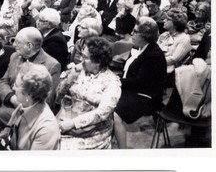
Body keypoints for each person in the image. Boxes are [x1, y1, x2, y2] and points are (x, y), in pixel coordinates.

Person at [56, 37, 120, 149]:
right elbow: (58, 96)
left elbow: (102, 113)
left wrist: (72, 123)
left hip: (92, 132)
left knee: (61, 150)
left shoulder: (111, 82)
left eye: (85, 57)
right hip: (65, 119)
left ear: (98, 62)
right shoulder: (79, 71)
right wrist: (71, 76)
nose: (81, 59)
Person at [113, 17, 168, 149]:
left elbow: (140, 82)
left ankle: (122, 150)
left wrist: (116, 81)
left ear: (145, 35)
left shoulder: (153, 55)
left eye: (136, 32)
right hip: (134, 89)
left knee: (114, 115)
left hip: (146, 96)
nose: (132, 34)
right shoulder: (141, 47)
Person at [0, 27, 61, 112]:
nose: (14, 45)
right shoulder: (15, 56)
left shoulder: (52, 65)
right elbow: (2, 82)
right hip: (8, 107)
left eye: (18, 42)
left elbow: (46, 101)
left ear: (29, 46)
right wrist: (11, 98)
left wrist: (21, 103)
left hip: (31, 115)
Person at [0, 63, 60, 150]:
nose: (13, 88)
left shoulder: (46, 128)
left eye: (16, 85)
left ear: (28, 94)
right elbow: (5, 134)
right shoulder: (23, 106)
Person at [157, 9, 193, 74]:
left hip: (172, 72)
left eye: (167, 19)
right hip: (157, 66)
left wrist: (154, 61)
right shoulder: (164, 35)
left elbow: (174, 59)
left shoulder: (184, 38)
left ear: (175, 23)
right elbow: (155, 51)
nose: (164, 21)